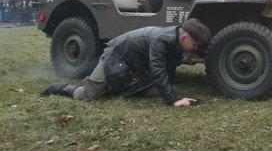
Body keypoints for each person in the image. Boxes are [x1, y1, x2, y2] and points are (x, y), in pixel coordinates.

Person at [40, 18, 211, 107]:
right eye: (194, 45)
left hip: (130, 64)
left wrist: (175, 96)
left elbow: (167, 73)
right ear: (183, 37)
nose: (194, 49)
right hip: (115, 57)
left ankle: (109, 88)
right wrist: (173, 100)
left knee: (153, 91)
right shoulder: (162, 41)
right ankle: (61, 87)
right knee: (86, 96)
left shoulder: (176, 40)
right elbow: (159, 72)